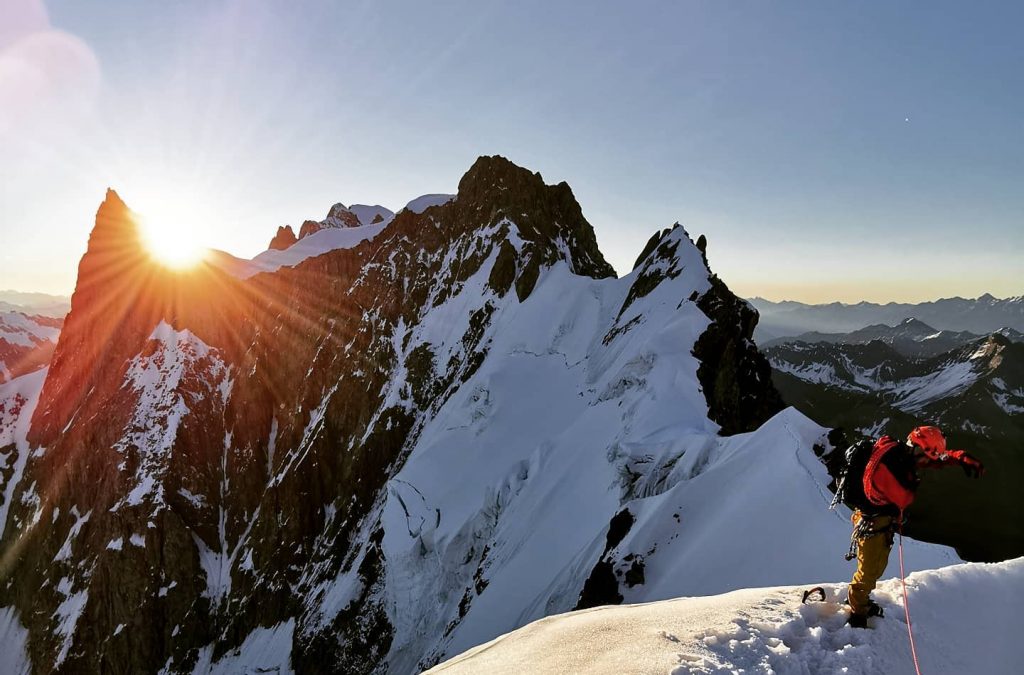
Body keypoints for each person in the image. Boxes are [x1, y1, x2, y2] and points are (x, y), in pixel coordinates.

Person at [845, 425, 984, 628]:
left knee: (876, 567)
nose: (925, 462)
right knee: (869, 570)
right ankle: (857, 611)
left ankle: (860, 600)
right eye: (924, 455)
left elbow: (933, 458)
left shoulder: (900, 453)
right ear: (916, 449)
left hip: (879, 519)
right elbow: (904, 498)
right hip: (873, 521)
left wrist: (957, 457)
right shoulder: (890, 470)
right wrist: (915, 479)